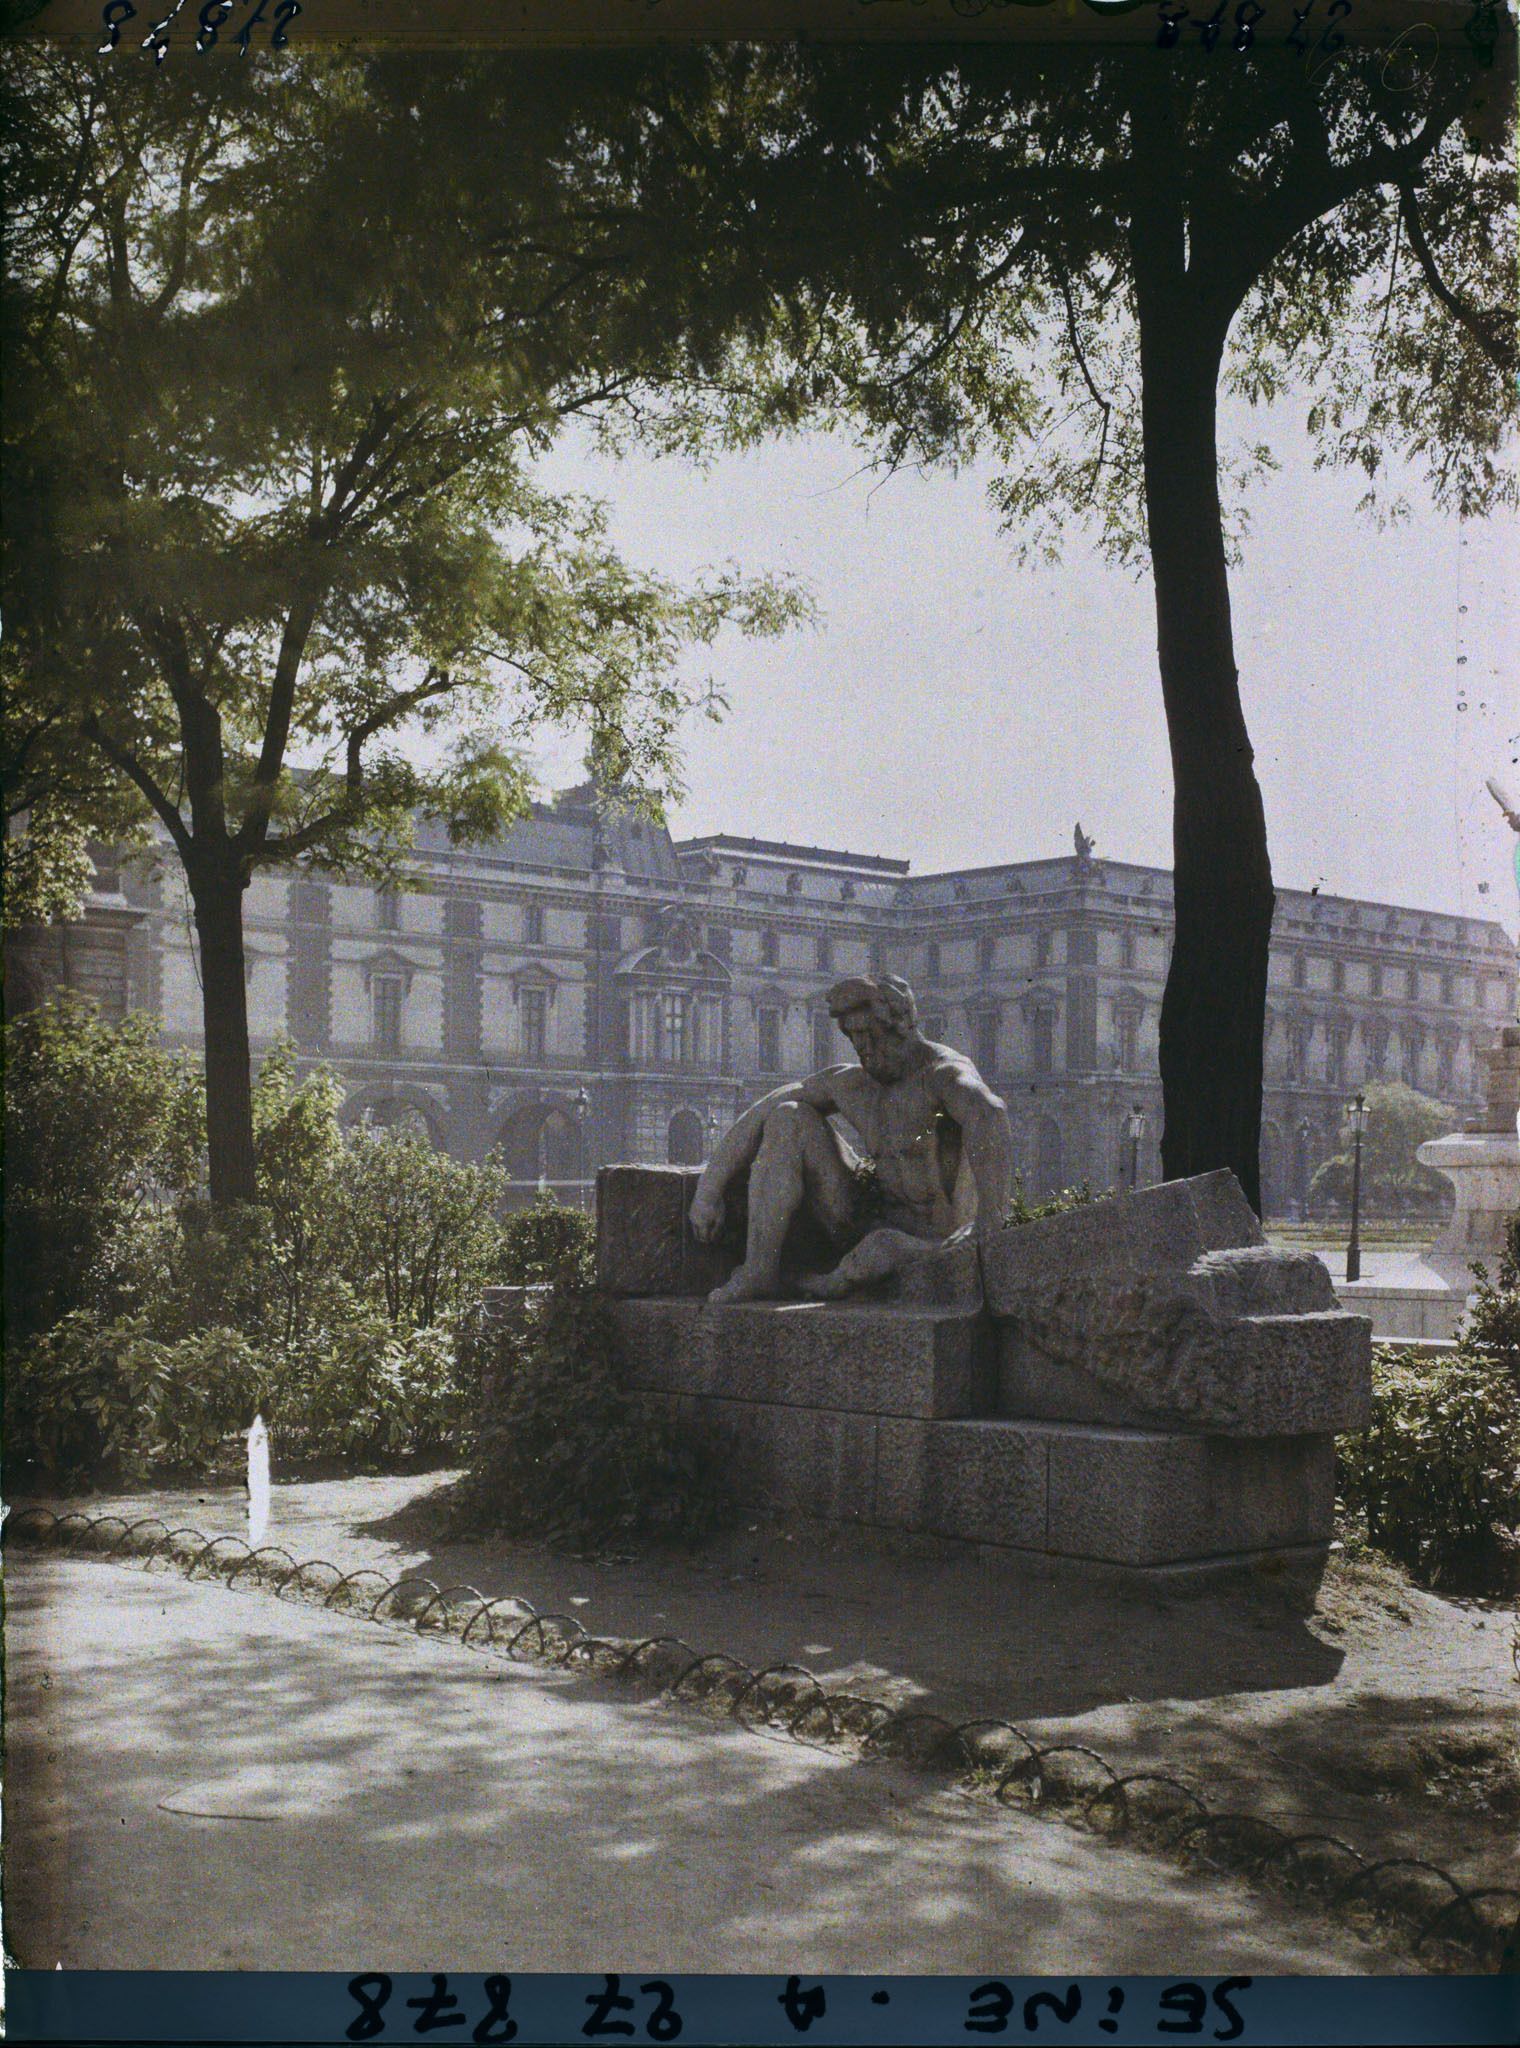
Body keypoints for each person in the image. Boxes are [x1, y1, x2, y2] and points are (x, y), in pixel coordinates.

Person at [689, 974, 1014, 1303]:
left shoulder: (942, 1075)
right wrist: (708, 1190)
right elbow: (766, 1107)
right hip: (865, 1226)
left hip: (935, 1243)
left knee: (885, 1247)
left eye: (869, 1035)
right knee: (789, 1116)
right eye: (853, 1036)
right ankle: (760, 1270)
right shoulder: (857, 1082)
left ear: (900, 1025)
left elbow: (989, 1114)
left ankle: (835, 1281)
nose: (862, 1047)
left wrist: (988, 1220)